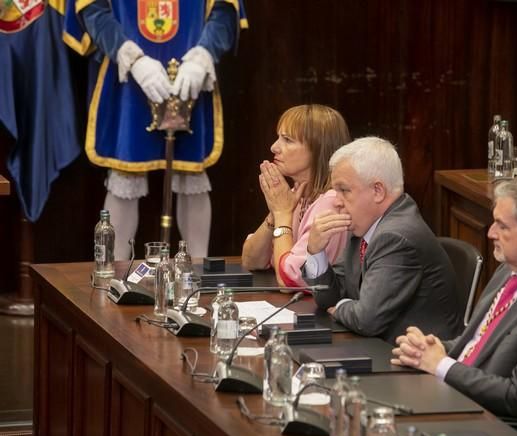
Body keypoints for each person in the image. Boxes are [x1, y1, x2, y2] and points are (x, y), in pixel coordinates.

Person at [391, 172, 517, 436]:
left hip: (508, 434)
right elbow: (478, 343)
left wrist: (441, 365)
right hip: (464, 403)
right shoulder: (510, 268)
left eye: (502, 226)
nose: (490, 233)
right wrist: (431, 348)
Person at [63, 0, 247, 259]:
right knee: (125, 174)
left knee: (191, 174)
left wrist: (204, 54)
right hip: (127, 77)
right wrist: (130, 57)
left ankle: (196, 273)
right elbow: (92, 11)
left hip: (191, 74)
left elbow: (224, 12)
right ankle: (111, 275)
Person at [302, 136, 462, 344]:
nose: (337, 202)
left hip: (417, 366)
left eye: (344, 190)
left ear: (378, 191)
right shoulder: (366, 225)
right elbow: (328, 298)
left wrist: (341, 307)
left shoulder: (395, 237)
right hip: (381, 349)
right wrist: (316, 253)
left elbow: (366, 319)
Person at [241, 104, 350, 288]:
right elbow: (251, 261)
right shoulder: (295, 196)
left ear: (317, 148)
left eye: (287, 140)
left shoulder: (331, 203)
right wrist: (275, 214)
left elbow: (288, 281)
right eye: (278, 138)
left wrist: (282, 213)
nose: (274, 147)